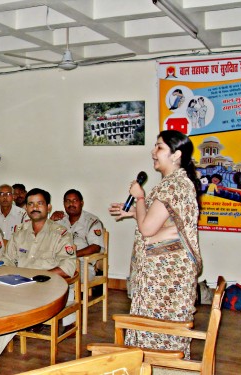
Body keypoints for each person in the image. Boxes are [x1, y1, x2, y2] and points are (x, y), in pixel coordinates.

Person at [0, 188, 76, 375]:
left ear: (48, 207)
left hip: (44, 286)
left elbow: (68, 267)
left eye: (39, 203)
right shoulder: (19, 231)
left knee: (11, 316)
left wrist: (39, 276)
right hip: (16, 284)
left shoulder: (61, 233)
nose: (35, 207)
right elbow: (7, 260)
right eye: (30, 204)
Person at [109, 130, 202, 358]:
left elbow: (148, 228)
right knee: (162, 331)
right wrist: (133, 212)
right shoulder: (178, 182)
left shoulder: (172, 186)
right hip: (166, 275)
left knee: (157, 331)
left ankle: (160, 367)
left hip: (164, 278)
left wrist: (140, 197)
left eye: (159, 147)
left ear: (175, 154)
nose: (153, 151)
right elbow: (162, 223)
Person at [50, 189, 104, 281]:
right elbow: (46, 240)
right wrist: (50, 221)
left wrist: (71, 254)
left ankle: (69, 295)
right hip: (58, 262)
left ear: (82, 203)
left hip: (82, 264)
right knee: (41, 272)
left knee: (60, 277)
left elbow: (96, 247)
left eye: (75, 201)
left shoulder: (92, 221)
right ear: (64, 204)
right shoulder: (59, 220)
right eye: (67, 201)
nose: (71, 204)